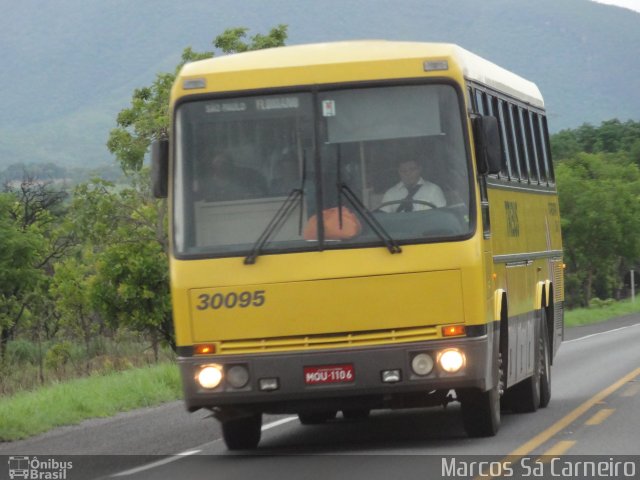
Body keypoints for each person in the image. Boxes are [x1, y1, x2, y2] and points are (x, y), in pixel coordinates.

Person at [379, 159, 446, 212]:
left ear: (420, 169)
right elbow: (384, 218)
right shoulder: (390, 194)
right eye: (403, 171)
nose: (408, 174)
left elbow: (441, 216)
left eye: (412, 169)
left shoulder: (434, 190)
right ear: (399, 172)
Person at [200, 151, 267, 201]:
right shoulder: (207, 186)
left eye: (224, 163)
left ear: (230, 166)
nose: (221, 166)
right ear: (212, 165)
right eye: (218, 162)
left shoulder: (241, 183)